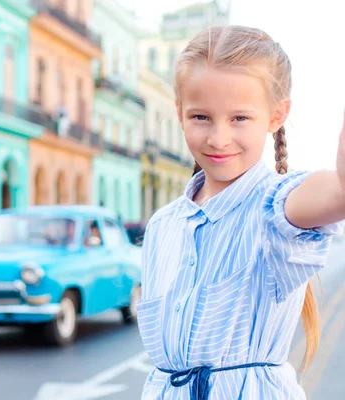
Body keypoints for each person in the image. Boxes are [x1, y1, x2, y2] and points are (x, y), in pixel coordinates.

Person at [137, 26, 345, 400]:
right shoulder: (161, 225)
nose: (218, 138)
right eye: (201, 117)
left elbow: (338, 191)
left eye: (239, 119)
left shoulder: (276, 207)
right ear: (180, 112)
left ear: (276, 116)